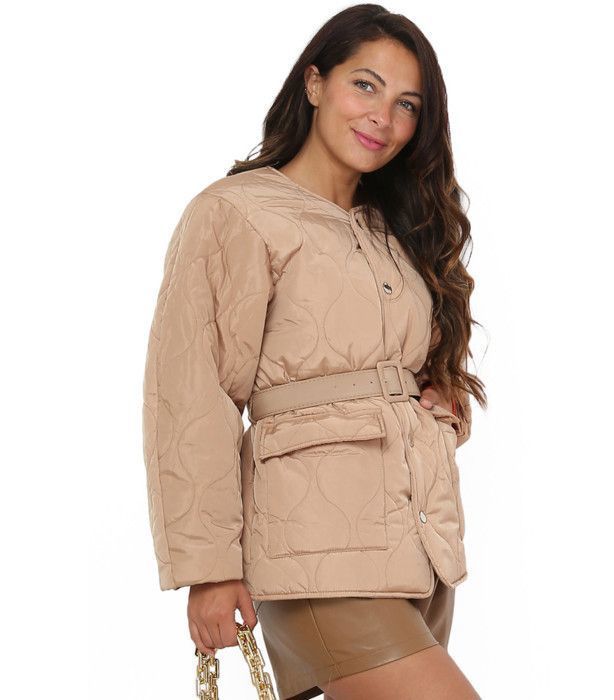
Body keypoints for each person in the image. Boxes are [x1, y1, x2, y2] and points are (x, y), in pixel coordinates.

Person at [141, 5, 486, 699]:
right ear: (315, 83)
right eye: (365, 86)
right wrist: (209, 569)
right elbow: (191, 394)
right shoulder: (237, 212)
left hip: (418, 548)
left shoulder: (396, 230)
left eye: (407, 104)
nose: (383, 117)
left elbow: (407, 374)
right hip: (314, 551)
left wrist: (444, 402)